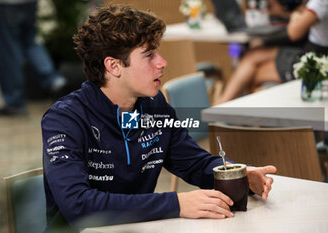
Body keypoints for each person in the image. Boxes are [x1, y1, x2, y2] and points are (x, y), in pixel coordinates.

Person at [41, 5, 276, 232]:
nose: (162, 62)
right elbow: (79, 206)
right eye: (149, 55)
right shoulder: (65, 119)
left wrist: (238, 174)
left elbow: (194, 163)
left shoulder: (154, 107)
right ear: (113, 66)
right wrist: (177, 204)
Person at [215, 0, 327, 105]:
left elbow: (294, 32)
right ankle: (225, 109)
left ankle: (221, 108)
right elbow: (303, 12)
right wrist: (286, 13)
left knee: (252, 73)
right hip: (312, 54)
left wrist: (295, 17)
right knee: (253, 55)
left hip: (316, 63)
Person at [0, 0, 66, 117]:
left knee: (8, 51)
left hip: (4, 4)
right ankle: (54, 80)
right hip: (29, 2)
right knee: (30, 42)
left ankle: (14, 102)